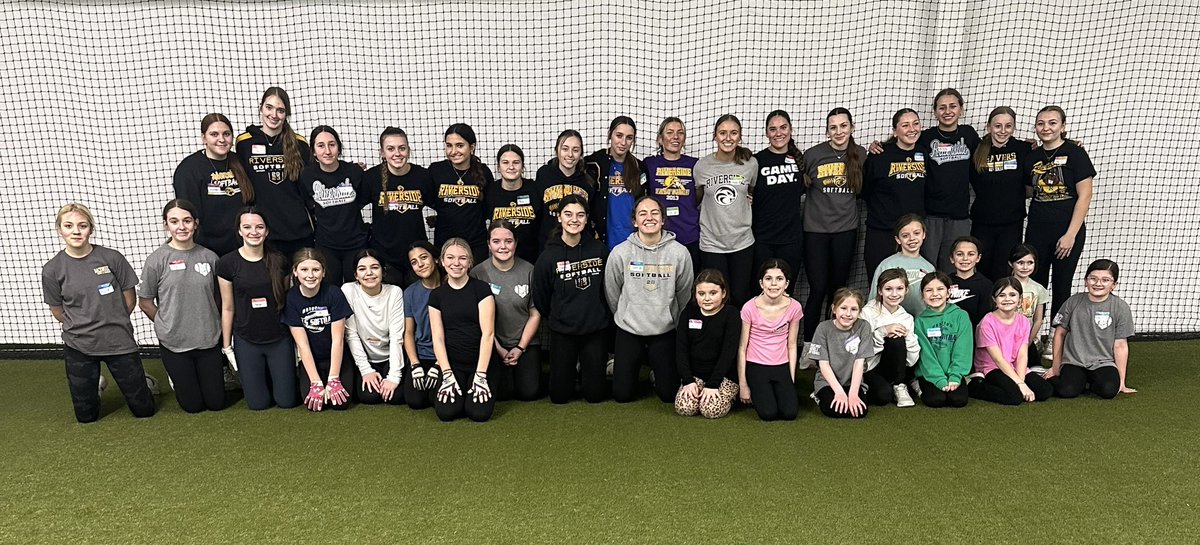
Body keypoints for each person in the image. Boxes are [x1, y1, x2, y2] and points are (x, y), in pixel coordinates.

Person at [43, 203, 155, 423]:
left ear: (90, 229)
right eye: (69, 226)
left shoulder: (112, 258)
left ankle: (143, 382)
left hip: (118, 340)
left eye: (82, 225)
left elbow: (129, 298)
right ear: (59, 230)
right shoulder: (52, 269)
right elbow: (58, 311)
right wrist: (83, 325)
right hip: (79, 345)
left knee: (145, 410)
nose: (76, 231)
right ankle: (96, 384)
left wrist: (112, 319)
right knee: (86, 418)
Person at [137, 199, 224, 413]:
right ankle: (177, 379)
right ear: (166, 225)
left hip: (207, 339)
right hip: (175, 343)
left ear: (195, 223)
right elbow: (145, 302)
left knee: (216, 404)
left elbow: (219, 297)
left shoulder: (210, 257)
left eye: (186, 221)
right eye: (174, 221)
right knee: (192, 407)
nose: (181, 227)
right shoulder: (156, 260)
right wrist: (166, 324)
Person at [605, 196, 694, 402]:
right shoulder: (620, 252)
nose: (649, 218)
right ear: (635, 221)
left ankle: (658, 372)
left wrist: (671, 319)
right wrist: (626, 314)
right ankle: (619, 365)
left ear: (663, 219)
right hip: (629, 331)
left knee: (669, 394)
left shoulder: (679, 253)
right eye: (642, 213)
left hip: (664, 331)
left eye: (655, 213)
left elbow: (684, 293)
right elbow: (612, 292)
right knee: (622, 395)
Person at [532, 195, 609, 403]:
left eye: (580, 215)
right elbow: (540, 295)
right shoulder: (548, 256)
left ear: (586, 220)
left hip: (595, 330)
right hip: (563, 332)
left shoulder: (599, 250)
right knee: (559, 397)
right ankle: (571, 370)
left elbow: (609, 288)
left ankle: (593, 369)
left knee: (595, 396)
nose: (574, 220)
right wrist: (559, 316)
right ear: (559, 218)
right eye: (568, 214)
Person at [217, 207, 296, 410]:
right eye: (247, 227)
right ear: (239, 231)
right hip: (247, 340)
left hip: (279, 338)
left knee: (287, 402)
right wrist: (227, 346)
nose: (254, 232)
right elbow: (227, 307)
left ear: (267, 231)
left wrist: (296, 343)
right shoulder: (227, 263)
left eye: (259, 227)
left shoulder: (280, 261)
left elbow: (287, 301)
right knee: (258, 404)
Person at [802, 107, 866, 341]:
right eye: (833, 127)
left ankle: (833, 344)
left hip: (845, 232)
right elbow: (795, 185)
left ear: (851, 127)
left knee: (838, 292)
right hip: (815, 233)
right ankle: (808, 346)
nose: (839, 131)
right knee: (817, 290)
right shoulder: (812, 155)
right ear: (827, 131)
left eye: (843, 126)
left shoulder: (861, 154)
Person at [1026, 106, 1095, 317]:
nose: (1046, 127)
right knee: (1034, 283)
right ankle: (1032, 334)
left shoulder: (1076, 153)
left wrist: (1070, 235)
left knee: (1061, 284)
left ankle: (1056, 337)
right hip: (1037, 230)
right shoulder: (1032, 156)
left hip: (1067, 232)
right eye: (1041, 123)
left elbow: (1085, 196)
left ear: (1062, 126)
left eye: (1052, 123)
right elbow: (1029, 192)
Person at [235, 87, 313, 262]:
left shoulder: (299, 143)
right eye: (269, 108)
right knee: (273, 287)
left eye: (280, 110)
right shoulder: (244, 143)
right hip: (264, 233)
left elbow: (314, 178)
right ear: (261, 108)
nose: (274, 114)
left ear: (286, 114)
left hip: (298, 231)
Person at [471, 220, 542, 401]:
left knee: (529, 393)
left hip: (525, 343)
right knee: (502, 394)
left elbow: (535, 314)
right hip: (493, 343)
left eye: (508, 241)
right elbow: (476, 320)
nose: (503, 246)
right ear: (488, 244)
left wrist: (520, 347)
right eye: (496, 241)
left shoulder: (529, 270)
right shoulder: (477, 274)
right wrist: (499, 349)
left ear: (515, 243)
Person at [1045, 259, 1135, 398]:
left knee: (1109, 390)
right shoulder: (1073, 302)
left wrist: (1121, 382)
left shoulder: (1121, 307)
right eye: (1093, 279)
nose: (1098, 284)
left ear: (1114, 285)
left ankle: (1087, 383)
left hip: (1103, 362)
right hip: (1074, 361)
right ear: (1085, 281)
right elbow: (1059, 334)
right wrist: (1056, 367)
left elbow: (1120, 345)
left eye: (1105, 280)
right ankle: (1072, 380)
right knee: (1067, 391)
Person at [429, 238, 497, 422]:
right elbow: (438, 337)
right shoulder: (436, 296)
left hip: (480, 363)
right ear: (442, 261)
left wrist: (481, 375)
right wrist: (447, 374)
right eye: (450, 258)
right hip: (453, 365)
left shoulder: (482, 290)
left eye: (462, 258)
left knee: (479, 414)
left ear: (469, 262)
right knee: (446, 413)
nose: (456, 263)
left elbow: (488, 334)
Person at [696, 114, 758, 305]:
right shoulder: (702, 166)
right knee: (716, 298)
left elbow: (751, 191)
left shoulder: (750, 164)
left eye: (733, 133)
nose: (728, 138)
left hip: (742, 242)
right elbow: (698, 199)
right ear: (715, 136)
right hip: (712, 243)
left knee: (740, 296)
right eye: (723, 133)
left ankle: (740, 335)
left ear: (740, 136)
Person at [173, 113, 254, 257]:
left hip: (242, 248)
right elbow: (189, 215)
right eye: (214, 134)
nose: (221, 139)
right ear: (204, 138)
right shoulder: (189, 169)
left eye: (226, 134)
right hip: (206, 251)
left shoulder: (240, 162)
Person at [284, 248, 354, 412]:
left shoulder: (334, 293)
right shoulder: (291, 298)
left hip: (335, 358)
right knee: (315, 405)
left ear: (323, 272)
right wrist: (315, 382)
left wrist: (333, 378)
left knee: (340, 404)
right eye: (304, 270)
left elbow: (337, 340)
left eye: (316, 270)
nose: (310, 275)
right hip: (311, 359)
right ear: (295, 271)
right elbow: (303, 344)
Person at [365, 127, 435, 286]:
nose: (397, 153)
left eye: (402, 148)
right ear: (382, 153)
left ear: (408, 150)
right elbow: (352, 208)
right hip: (385, 256)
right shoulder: (371, 178)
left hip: (416, 256)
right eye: (390, 149)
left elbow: (441, 206)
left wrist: (436, 219)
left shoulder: (422, 176)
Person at [300, 125, 370, 285]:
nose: (327, 151)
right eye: (321, 145)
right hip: (326, 245)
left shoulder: (354, 172)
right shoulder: (307, 175)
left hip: (356, 243)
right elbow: (308, 204)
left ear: (339, 147)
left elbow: (362, 200)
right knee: (330, 290)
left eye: (332, 144)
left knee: (359, 290)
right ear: (313, 150)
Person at [918, 89, 979, 271]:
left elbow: (992, 149)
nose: (947, 111)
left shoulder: (969, 135)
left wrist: (1026, 146)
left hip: (959, 217)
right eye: (942, 107)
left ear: (961, 109)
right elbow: (903, 145)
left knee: (954, 271)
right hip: (930, 217)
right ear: (934, 111)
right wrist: (880, 145)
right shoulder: (925, 137)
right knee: (926, 269)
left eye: (953, 106)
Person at [967, 277, 1054, 405]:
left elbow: (1022, 354)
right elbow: (998, 359)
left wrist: (1021, 381)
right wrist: (1019, 384)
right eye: (1002, 295)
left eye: (1012, 295)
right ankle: (974, 385)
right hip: (991, 368)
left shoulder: (1023, 321)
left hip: (1013, 365)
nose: (1007, 299)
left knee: (1044, 391)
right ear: (994, 300)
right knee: (1014, 397)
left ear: (1019, 299)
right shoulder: (987, 322)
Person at [863, 108, 927, 275]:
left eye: (915, 124)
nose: (912, 129)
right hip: (882, 232)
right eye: (905, 125)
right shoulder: (879, 155)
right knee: (881, 284)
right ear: (895, 131)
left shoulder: (924, 152)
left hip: (912, 235)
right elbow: (865, 190)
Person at [737, 259, 803, 421]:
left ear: (786, 284)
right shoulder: (749, 307)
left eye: (779, 279)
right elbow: (742, 348)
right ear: (761, 283)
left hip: (781, 365)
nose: (774, 284)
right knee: (768, 414)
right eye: (768, 279)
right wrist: (743, 385)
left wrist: (791, 377)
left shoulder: (795, 307)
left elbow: (792, 345)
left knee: (789, 413)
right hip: (756, 365)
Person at [969, 106, 1030, 280]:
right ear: (989, 127)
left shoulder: (1023, 149)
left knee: (1004, 273)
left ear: (1014, 128)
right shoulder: (977, 151)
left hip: (1011, 224)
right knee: (980, 272)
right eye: (998, 126)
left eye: (1008, 126)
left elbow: (1050, 149)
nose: (1003, 131)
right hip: (982, 224)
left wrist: (1071, 143)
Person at [809, 288, 888, 418]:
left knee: (860, 411)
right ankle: (818, 395)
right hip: (828, 381)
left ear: (859, 312)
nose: (848, 314)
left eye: (854, 309)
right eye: (843, 308)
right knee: (834, 410)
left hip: (852, 381)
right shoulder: (823, 328)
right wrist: (839, 392)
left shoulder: (863, 327)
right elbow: (823, 365)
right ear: (834, 309)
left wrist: (853, 394)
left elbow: (859, 363)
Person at [342, 249, 406, 406]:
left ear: (383, 272)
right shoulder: (348, 290)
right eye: (362, 269)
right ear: (356, 275)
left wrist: (394, 376)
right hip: (365, 358)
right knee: (369, 397)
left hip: (389, 356)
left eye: (375, 267)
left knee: (395, 397)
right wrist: (366, 370)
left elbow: (397, 336)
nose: (369, 273)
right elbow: (351, 335)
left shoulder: (394, 292)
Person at [674, 269, 740, 419]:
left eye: (713, 293)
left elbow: (728, 353)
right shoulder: (688, 312)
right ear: (695, 294)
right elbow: (681, 349)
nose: (707, 298)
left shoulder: (731, 314)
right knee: (685, 408)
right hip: (695, 375)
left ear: (723, 293)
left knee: (710, 410)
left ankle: (731, 397)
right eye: (701, 294)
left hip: (723, 376)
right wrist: (688, 380)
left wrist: (713, 384)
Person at [751, 110, 804, 289]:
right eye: (773, 129)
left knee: (787, 290)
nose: (778, 133)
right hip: (762, 239)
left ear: (791, 129)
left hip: (791, 238)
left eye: (783, 127)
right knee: (761, 290)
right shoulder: (756, 161)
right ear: (766, 133)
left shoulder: (800, 160)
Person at [430, 123, 493, 264]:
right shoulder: (436, 170)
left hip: (476, 244)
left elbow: (488, 207)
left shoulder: (484, 172)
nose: (453, 151)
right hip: (444, 243)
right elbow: (430, 199)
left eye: (460, 145)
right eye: (449, 145)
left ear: (472, 147)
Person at [644, 117, 701, 270]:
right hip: (658, 238)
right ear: (660, 139)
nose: (675, 137)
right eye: (670, 132)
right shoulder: (649, 164)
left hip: (689, 235)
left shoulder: (696, 164)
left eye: (680, 133)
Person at [861, 268, 921, 408]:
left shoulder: (907, 318)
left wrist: (908, 336)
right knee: (883, 397)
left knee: (897, 339)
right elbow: (861, 350)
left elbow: (911, 361)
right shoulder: (867, 313)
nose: (894, 294)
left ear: (906, 290)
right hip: (870, 366)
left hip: (896, 369)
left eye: (899, 288)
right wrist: (882, 331)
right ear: (880, 291)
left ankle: (900, 385)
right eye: (888, 289)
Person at [913, 272, 973, 408]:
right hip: (929, 372)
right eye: (929, 290)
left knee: (958, 400)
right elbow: (925, 354)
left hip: (953, 372)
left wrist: (955, 376)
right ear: (923, 295)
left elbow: (963, 348)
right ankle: (916, 384)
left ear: (948, 292)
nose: (935, 294)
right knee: (936, 400)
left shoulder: (961, 316)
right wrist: (939, 379)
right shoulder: (920, 321)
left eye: (940, 289)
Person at [586, 116, 643, 249]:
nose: (623, 142)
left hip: (633, 240)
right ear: (610, 135)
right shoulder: (594, 163)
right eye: (619, 135)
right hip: (602, 240)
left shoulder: (639, 167)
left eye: (629, 138)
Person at [534, 129, 597, 249]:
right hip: (548, 244)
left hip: (578, 245)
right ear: (556, 150)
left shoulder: (588, 179)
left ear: (581, 154)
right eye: (565, 149)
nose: (570, 155)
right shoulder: (544, 174)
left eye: (575, 150)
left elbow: (591, 215)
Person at [868, 214, 936, 317]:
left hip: (921, 322)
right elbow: (873, 300)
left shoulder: (929, 268)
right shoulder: (887, 265)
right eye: (905, 235)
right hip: (890, 322)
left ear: (924, 235)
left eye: (916, 233)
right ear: (898, 239)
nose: (912, 238)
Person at [485, 144, 542, 264]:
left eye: (516, 162)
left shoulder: (534, 189)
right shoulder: (490, 191)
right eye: (505, 162)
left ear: (522, 166)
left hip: (532, 258)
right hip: (500, 258)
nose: (511, 167)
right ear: (498, 167)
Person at [402, 241, 443, 409]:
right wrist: (415, 364)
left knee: (436, 399)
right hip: (422, 355)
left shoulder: (450, 287)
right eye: (414, 262)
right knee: (415, 401)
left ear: (435, 259)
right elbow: (409, 332)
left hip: (447, 356)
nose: (420, 264)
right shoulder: (410, 293)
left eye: (424, 258)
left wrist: (439, 365)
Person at [1009, 244, 1050, 363]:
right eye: (1020, 262)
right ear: (1011, 264)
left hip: (1026, 339)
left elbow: (1038, 319)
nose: (1025, 267)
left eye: (1030, 262)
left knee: (1031, 368)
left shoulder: (1039, 289)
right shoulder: (1003, 285)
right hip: (1006, 338)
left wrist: (1029, 341)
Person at [948, 236, 992, 326]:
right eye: (959, 254)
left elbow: (986, 318)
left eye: (971, 254)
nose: (965, 258)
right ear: (952, 258)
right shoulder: (944, 282)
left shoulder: (986, 285)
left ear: (978, 258)